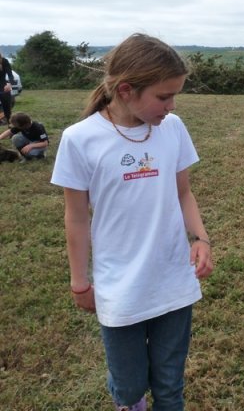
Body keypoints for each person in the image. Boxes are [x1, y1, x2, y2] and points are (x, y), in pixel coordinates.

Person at [51, 33, 214, 411]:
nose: (171, 106)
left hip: (173, 279)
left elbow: (183, 193)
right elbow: (76, 218)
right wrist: (79, 283)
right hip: (120, 288)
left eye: (175, 96)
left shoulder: (173, 127)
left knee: (170, 386)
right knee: (128, 386)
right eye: (164, 97)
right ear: (126, 90)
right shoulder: (80, 139)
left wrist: (201, 238)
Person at [0, 52, 16, 125]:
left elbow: (10, 75)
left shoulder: (4, 61)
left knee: (7, 110)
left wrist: (9, 84)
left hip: (3, 88)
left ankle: (10, 126)